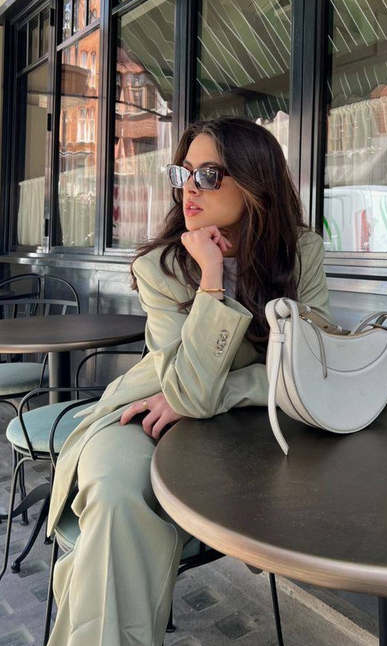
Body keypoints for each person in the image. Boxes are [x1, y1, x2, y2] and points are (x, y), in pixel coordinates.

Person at [46, 116, 331, 645]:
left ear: (255, 182)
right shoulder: (161, 265)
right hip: (145, 412)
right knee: (116, 495)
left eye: (208, 175)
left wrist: (224, 393)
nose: (189, 190)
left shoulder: (301, 251)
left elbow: (308, 365)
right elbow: (186, 393)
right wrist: (211, 280)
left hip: (247, 424)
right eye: (183, 173)